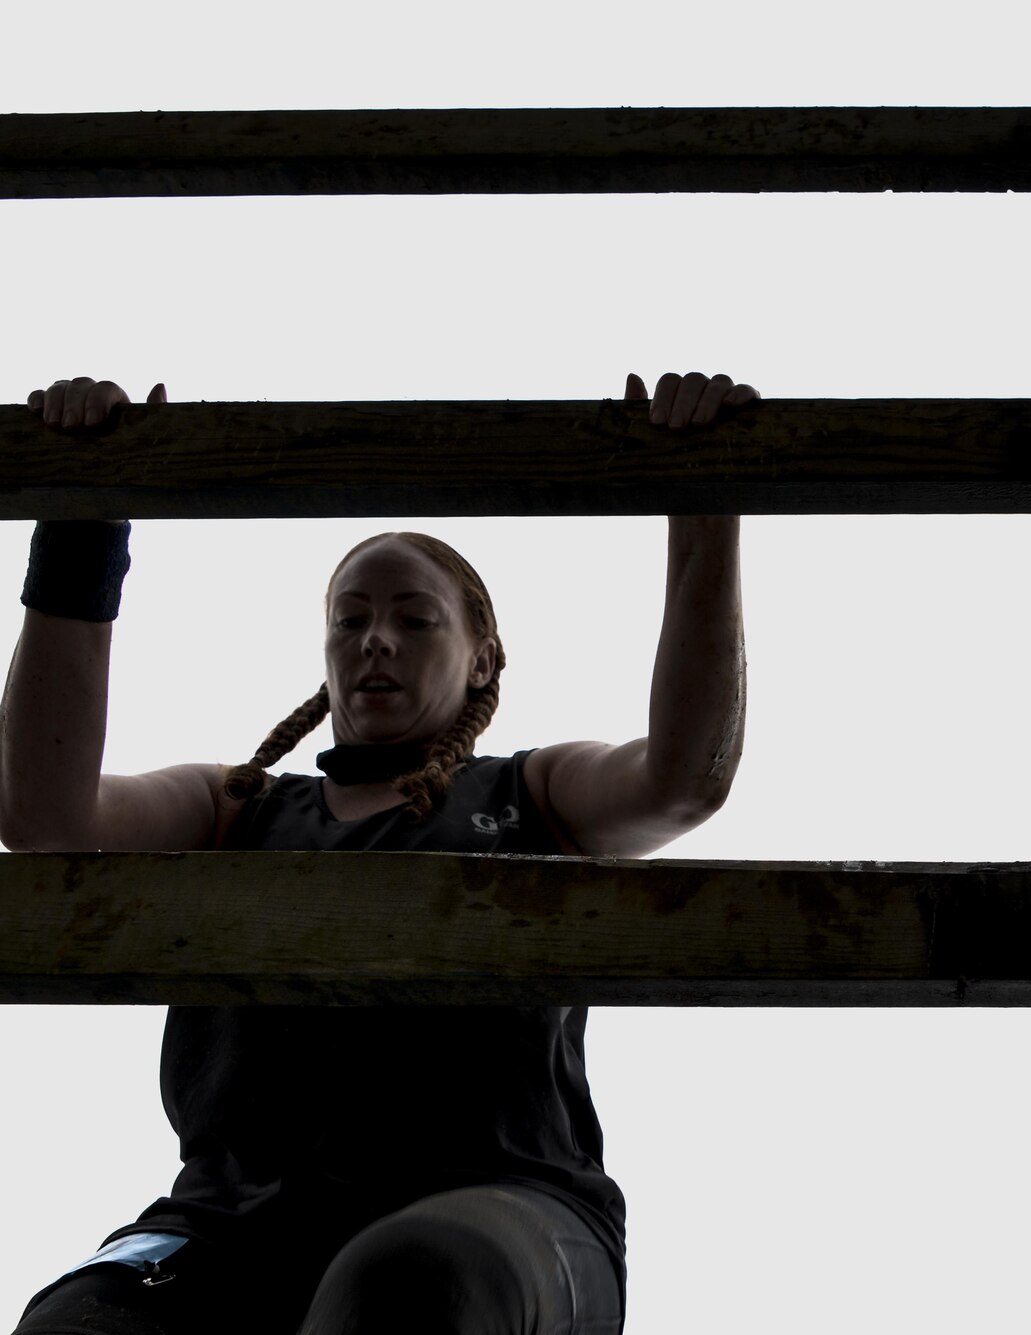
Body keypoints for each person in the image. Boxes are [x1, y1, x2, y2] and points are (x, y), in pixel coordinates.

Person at [2, 368, 758, 1334]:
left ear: (484, 656)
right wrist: (82, 514)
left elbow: (683, 779)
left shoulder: (529, 795)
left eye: (413, 617)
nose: (376, 641)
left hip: (497, 1205)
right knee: (77, 1324)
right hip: (241, 1214)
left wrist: (704, 497)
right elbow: (47, 817)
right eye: (350, 619)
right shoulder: (237, 809)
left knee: (406, 1286)